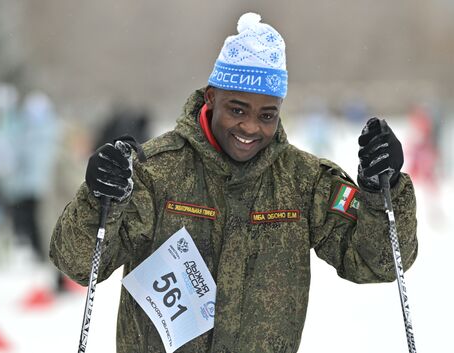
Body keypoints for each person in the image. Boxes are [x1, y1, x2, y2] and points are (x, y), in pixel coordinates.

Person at [50, 12, 417, 353]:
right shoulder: (155, 172)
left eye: (267, 115)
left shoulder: (305, 182)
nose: (250, 128)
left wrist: (379, 192)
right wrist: (98, 198)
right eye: (237, 109)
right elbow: (79, 263)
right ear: (212, 97)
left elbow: (379, 264)